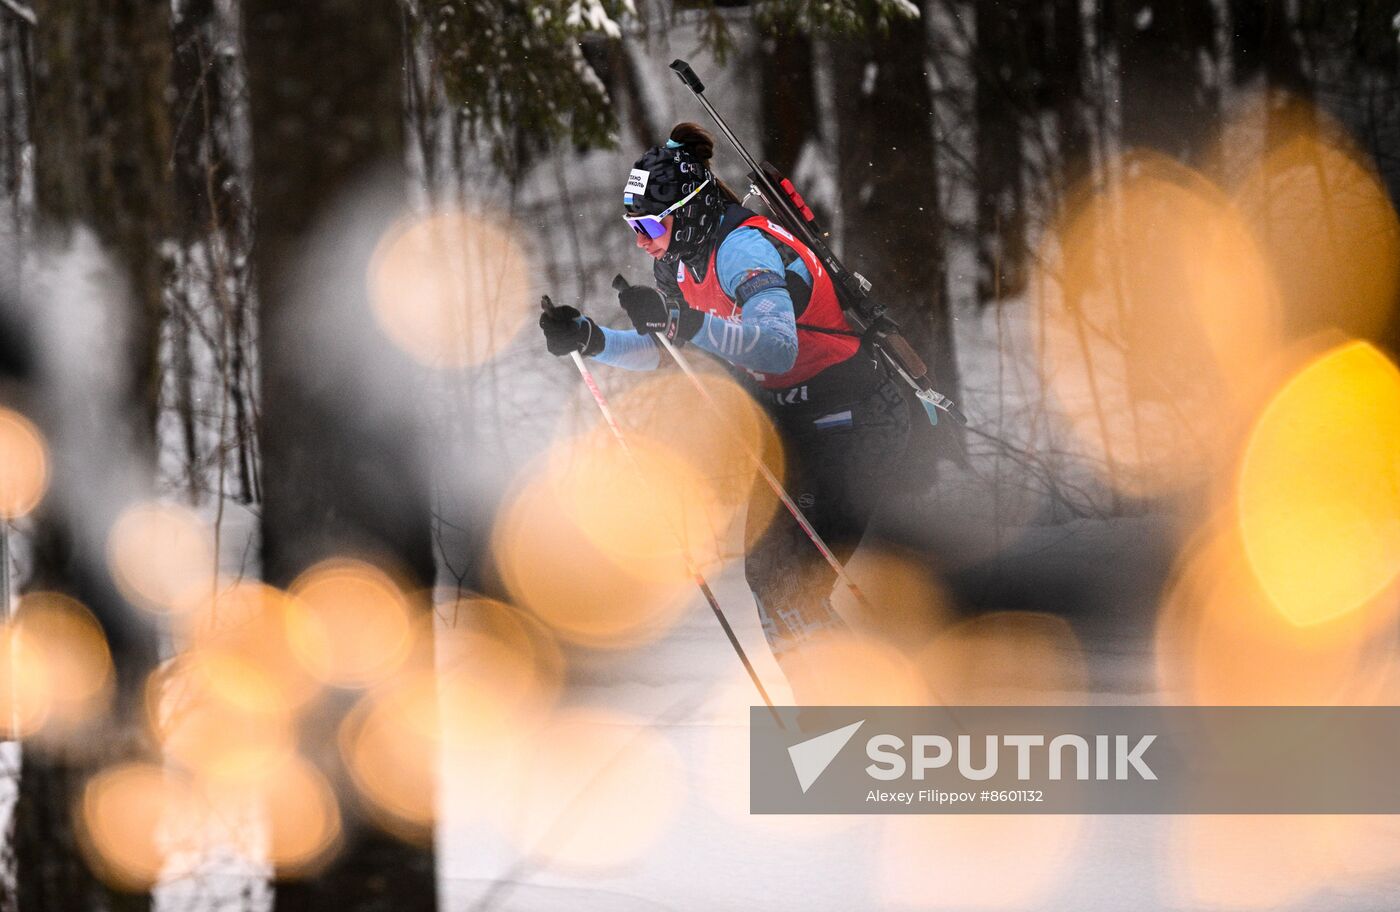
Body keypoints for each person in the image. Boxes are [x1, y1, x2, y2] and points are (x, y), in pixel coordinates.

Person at [539, 122, 909, 702]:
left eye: (650, 226)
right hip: (804, 428)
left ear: (687, 212)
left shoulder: (742, 249)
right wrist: (590, 338)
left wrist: (686, 323)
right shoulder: (682, 261)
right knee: (773, 587)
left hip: (859, 420)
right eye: (633, 227)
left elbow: (774, 344)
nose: (642, 241)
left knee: (785, 590)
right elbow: (675, 350)